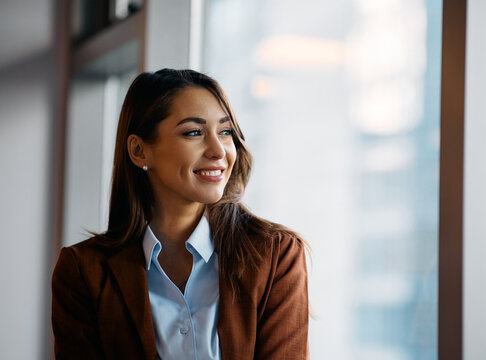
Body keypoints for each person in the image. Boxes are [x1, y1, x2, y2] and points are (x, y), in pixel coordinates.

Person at [51, 69, 309, 360]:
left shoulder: (277, 256)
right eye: (193, 133)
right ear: (139, 151)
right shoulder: (84, 272)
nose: (218, 150)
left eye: (225, 132)